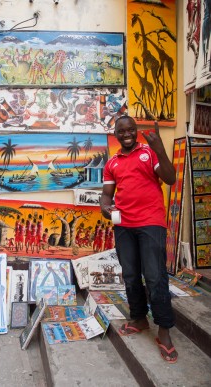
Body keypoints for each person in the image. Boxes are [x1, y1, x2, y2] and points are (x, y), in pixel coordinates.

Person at [100, 116, 178, 364]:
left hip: (151, 222)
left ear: (136, 131)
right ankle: (139, 318)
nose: (127, 134)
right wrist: (104, 206)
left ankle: (164, 330)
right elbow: (106, 193)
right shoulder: (112, 162)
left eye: (131, 129)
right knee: (131, 273)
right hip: (124, 224)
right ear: (115, 133)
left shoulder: (149, 152)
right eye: (121, 130)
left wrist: (160, 149)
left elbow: (170, 178)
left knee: (155, 275)